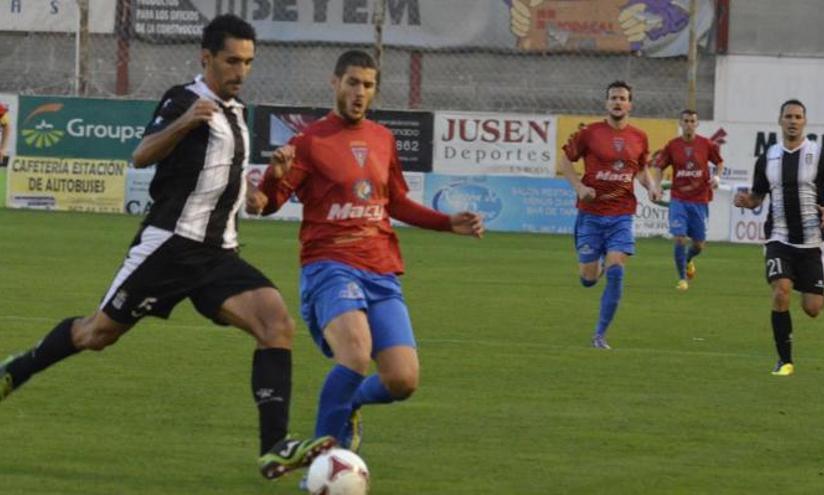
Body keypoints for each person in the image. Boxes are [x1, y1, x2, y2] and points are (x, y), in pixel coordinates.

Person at [0, 14, 333, 480]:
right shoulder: (185, 99)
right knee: (96, 334)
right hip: (170, 248)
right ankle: (18, 368)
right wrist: (182, 123)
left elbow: (250, 202)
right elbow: (140, 154)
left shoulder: (238, 116)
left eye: (248, 62)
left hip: (219, 256)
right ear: (207, 58)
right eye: (232, 60)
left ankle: (274, 447)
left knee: (276, 324)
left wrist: (271, 181)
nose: (240, 70)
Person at [247, 50, 484, 463]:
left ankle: (350, 403)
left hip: (381, 270)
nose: (360, 92)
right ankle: (321, 463)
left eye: (368, 85)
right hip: (330, 266)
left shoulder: (382, 138)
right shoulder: (308, 142)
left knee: (402, 379)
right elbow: (266, 203)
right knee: (355, 354)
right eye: (353, 82)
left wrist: (448, 223)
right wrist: (274, 176)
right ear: (335, 82)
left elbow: (397, 202)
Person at [733, 99, 824, 376]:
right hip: (779, 238)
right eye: (788, 116)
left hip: (811, 243)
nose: (793, 121)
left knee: (813, 308)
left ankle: (808, 284)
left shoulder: (819, 155)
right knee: (781, 292)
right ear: (780, 121)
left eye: (798, 116)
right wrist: (745, 201)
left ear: (804, 121)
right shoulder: (768, 157)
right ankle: (784, 361)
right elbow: (757, 197)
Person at [559, 80, 662, 350]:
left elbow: (640, 169)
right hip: (590, 215)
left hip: (621, 215)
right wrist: (579, 187)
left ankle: (600, 335)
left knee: (616, 271)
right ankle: (596, 267)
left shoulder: (639, 136)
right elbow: (564, 160)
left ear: (630, 104)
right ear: (607, 103)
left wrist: (651, 187)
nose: (618, 102)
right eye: (613, 97)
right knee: (588, 280)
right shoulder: (590, 133)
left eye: (623, 98)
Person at [652, 109, 724, 290]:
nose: (689, 124)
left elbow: (719, 163)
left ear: (697, 124)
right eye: (686, 120)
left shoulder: (706, 144)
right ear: (680, 123)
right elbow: (659, 167)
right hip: (679, 199)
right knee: (679, 238)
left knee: (699, 245)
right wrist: (658, 185)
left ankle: (689, 259)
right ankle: (682, 279)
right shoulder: (672, 145)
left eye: (692, 121)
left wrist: (717, 177)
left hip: (700, 200)